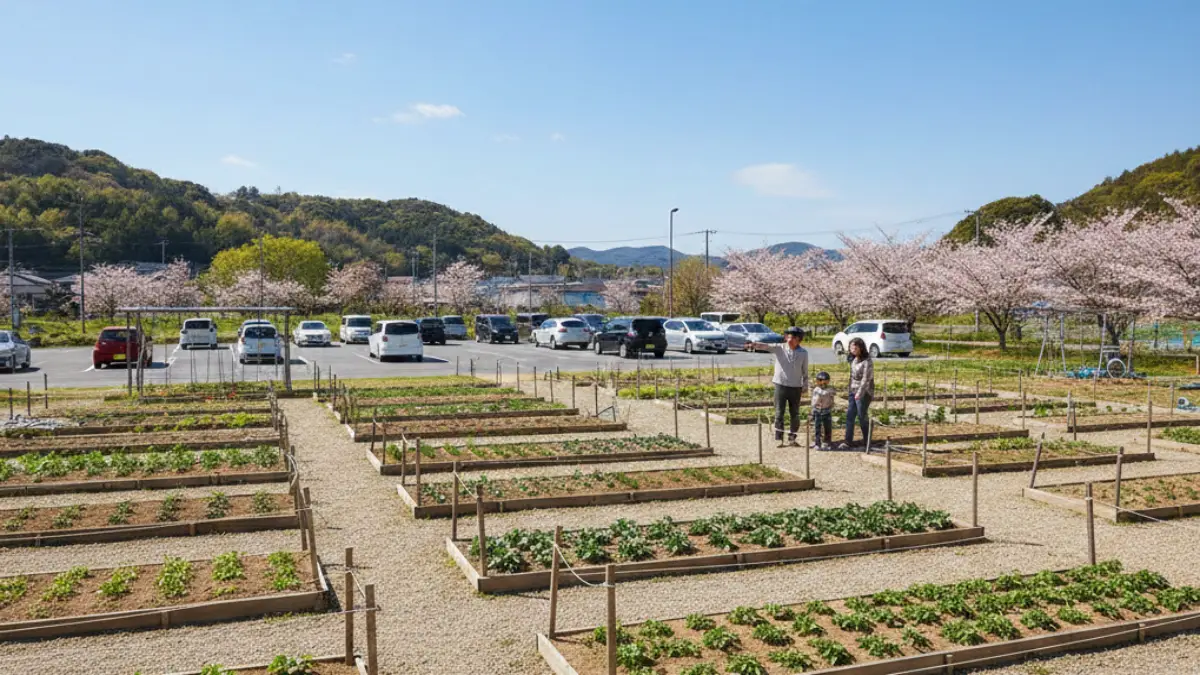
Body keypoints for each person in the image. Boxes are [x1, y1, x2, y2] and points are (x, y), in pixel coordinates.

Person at [750, 327, 808, 447]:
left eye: (794, 338)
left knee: (795, 413)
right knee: (779, 412)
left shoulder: (803, 353)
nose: (790, 340)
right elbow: (766, 346)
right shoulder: (780, 348)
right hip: (780, 385)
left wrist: (805, 384)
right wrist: (754, 344)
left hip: (795, 386)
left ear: (799, 339)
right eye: (788, 337)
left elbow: (805, 371)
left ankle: (792, 437)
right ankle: (779, 438)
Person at [839, 337, 874, 449]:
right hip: (853, 390)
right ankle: (848, 441)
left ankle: (867, 442)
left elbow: (866, 379)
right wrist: (850, 391)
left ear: (861, 347)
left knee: (862, 416)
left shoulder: (867, 361)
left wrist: (859, 393)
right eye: (851, 346)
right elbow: (851, 377)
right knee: (850, 416)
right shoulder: (853, 359)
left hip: (864, 392)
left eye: (855, 346)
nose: (852, 349)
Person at [810, 371, 835, 450]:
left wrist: (831, 405)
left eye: (825, 383)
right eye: (821, 383)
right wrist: (813, 410)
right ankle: (817, 443)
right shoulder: (816, 390)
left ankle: (827, 443)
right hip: (818, 411)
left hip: (827, 411)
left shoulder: (830, 390)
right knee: (817, 428)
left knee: (828, 428)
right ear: (818, 382)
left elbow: (832, 397)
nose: (823, 385)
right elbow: (814, 402)